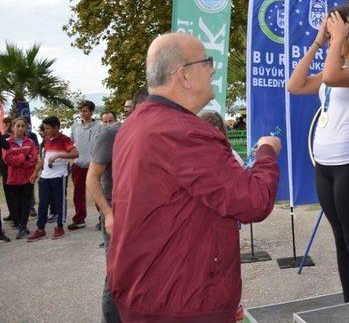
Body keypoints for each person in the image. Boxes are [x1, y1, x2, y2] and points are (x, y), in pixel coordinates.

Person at [108, 33, 281, 322]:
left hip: (149, 291)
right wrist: (266, 152)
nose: (214, 68)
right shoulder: (184, 133)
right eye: (207, 61)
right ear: (184, 75)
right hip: (181, 301)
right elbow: (253, 201)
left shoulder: (136, 123)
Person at [287, 5, 349, 303]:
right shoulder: (334, 67)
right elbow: (295, 84)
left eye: (333, 30)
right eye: (328, 32)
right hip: (325, 167)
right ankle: (348, 305)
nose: (330, 37)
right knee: (340, 239)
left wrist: (338, 39)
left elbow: (332, 76)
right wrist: (317, 42)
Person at [88, 87, 148, 323]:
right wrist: (108, 213)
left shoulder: (152, 133)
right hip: (117, 215)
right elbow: (92, 179)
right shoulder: (111, 133)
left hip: (144, 215)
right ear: (136, 107)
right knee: (116, 275)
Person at [28, 116, 79, 241]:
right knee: (42, 203)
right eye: (44, 128)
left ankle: (60, 227)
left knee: (59, 201)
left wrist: (58, 155)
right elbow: (43, 159)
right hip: (45, 176)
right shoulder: (46, 139)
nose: (45, 131)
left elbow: (75, 153)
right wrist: (35, 172)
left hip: (59, 176)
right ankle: (40, 229)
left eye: (48, 128)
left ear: (56, 127)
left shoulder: (64, 139)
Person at [2, 117, 38, 239]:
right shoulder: (7, 142)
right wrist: (24, 157)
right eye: (18, 126)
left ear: (26, 128)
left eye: (23, 126)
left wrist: (22, 161)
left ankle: (23, 226)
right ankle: (20, 225)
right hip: (14, 178)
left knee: (26, 203)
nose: (20, 128)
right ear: (12, 127)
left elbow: (33, 159)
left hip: (28, 178)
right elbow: (8, 160)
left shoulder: (30, 142)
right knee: (16, 204)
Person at [69, 100, 101, 230]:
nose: (82, 113)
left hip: (94, 164)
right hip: (78, 164)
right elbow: (71, 143)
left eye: (85, 111)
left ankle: (103, 218)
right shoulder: (75, 126)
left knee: (98, 192)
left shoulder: (99, 126)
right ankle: (79, 219)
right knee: (78, 193)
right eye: (81, 111)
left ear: (91, 112)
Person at [1, 116, 15, 225]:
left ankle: (15, 216)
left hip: (7, 168)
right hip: (8, 167)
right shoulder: (14, 136)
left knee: (10, 192)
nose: (3, 126)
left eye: (4, 124)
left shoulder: (6, 136)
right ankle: (13, 214)